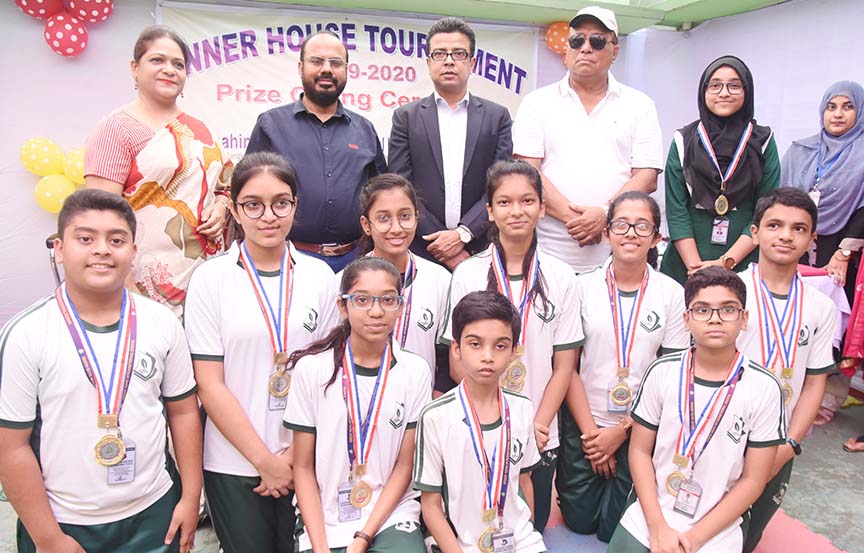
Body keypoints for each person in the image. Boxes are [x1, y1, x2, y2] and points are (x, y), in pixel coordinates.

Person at [0, 189, 202, 553]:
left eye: (116, 239)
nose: (102, 249)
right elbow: (11, 447)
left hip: (154, 514)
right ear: (59, 249)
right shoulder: (26, 334)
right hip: (64, 524)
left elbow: (184, 411)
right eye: (85, 238)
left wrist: (190, 497)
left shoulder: (162, 323)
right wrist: (48, 539)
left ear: (134, 252)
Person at [183, 153, 338, 553]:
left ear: (295, 206)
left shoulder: (320, 276)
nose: (268, 216)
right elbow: (209, 384)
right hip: (234, 462)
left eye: (280, 203)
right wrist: (264, 461)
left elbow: (326, 376)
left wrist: (291, 457)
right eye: (253, 204)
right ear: (235, 209)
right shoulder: (210, 279)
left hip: (304, 458)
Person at [441, 160, 584, 532]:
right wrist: (492, 420)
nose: (516, 211)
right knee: (476, 527)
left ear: (541, 207)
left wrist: (536, 424)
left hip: (540, 429)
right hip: (478, 425)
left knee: (526, 530)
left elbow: (564, 365)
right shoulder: (468, 274)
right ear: (489, 210)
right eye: (504, 202)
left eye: (527, 201)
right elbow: (458, 363)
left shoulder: (562, 276)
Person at [608, 266, 786, 553]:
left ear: (744, 319)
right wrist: (657, 527)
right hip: (651, 513)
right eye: (702, 310)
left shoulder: (764, 387)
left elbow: (754, 479)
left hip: (717, 525)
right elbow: (639, 452)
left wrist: (693, 539)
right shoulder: (662, 372)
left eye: (728, 310)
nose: (715, 319)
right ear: (686, 320)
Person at [556, 191, 689, 543]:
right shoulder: (580, 287)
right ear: (607, 234)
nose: (631, 233)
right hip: (586, 421)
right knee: (581, 522)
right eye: (621, 224)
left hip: (641, 427)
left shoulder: (672, 293)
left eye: (642, 226)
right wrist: (592, 436)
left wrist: (622, 432)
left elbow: (672, 372)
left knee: (613, 530)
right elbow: (567, 366)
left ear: (657, 237)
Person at [284, 257, 430, 552]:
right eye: (362, 300)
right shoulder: (312, 371)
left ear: (400, 306)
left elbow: (404, 467)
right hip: (326, 516)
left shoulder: (415, 371)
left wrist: (363, 537)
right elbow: (302, 467)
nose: (376, 311)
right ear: (342, 306)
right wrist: (320, 546)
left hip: (390, 513)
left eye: (388, 300)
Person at [85, 25, 231, 318]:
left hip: (207, 279)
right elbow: (100, 216)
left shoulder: (199, 128)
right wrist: (124, 286)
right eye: (157, 60)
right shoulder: (116, 128)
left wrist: (223, 205)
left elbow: (226, 184)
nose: (169, 70)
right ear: (135, 68)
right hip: (143, 283)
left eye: (178, 64)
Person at [512, 5, 662, 273]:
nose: (586, 48)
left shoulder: (640, 105)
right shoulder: (536, 103)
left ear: (615, 51)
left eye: (597, 41)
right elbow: (527, 172)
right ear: (567, 50)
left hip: (617, 254)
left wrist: (604, 215)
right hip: (549, 251)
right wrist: (578, 221)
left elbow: (647, 176)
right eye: (577, 40)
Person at [736, 188, 835, 552]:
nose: (785, 235)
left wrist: (791, 444)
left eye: (798, 228)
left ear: (811, 239)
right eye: (774, 225)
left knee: (749, 533)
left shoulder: (821, 307)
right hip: (719, 431)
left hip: (779, 438)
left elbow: (814, 383)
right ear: (755, 232)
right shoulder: (730, 292)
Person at [414, 290, 546, 553]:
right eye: (475, 344)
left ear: (513, 351)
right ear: (456, 348)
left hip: (514, 538)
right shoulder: (436, 416)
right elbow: (430, 506)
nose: (488, 356)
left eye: (500, 346)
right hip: (459, 543)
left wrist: (526, 528)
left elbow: (524, 481)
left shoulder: (521, 408)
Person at [245, 31, 387, 272]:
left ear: (346, 70)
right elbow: (249, 192)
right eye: (317, 61)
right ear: (301, 67)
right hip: (289, 259)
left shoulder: (364, 130)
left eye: (335, 63)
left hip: (355, 261)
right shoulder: (271, 124)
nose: (326, 69)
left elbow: (381, 193)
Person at [387, 17, 513, 269]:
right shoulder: (406, 117)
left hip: (479, 248)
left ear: (472, 62)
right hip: (422, 247)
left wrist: (462, 234)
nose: (448, 60)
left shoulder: (497, 116)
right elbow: (401, 184)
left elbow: (500, 185)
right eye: (439, 53)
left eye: (458, 53)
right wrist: (441, 243)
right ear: (428, 62)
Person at [781, 81, 864, 433]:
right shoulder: (801, 149)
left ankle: (825, 395)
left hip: (843, 247)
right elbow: (781, 194)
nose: (838, 114)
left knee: (834, 325)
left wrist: (846, 251)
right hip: (799, 240)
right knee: (796, 316)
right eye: (832, 106)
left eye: (848, 107)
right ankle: (790, 388)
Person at [660, 55, 780, 284]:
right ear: (703, 91)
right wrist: (697, 270)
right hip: (685, 265)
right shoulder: (683, 140)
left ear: (747, 91)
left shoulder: (763, 141)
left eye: (734, 85)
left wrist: (727, 262)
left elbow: (765, 211)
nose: (724, 92)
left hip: (743, 263)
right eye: (715, 85)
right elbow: (677, 211)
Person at [350, 174, 451, 391]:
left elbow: (446, 353)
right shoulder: (346, 281)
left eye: (405, 216)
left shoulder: (439, 279)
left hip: (421, 404)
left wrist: (436, 398)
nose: (396, 228)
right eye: (384, 218)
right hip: (362, 405)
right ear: (366, 225)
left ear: (416, 217)